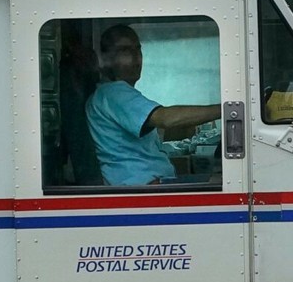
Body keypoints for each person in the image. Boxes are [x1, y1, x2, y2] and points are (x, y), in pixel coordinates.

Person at [85, 24, 220, 185]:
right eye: (125, 51)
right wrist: (228, 109)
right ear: (106, 59)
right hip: (143, 187)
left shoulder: (109, 96)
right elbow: (165, 119)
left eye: (138, 49)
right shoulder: (114, 93)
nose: (136, 58)